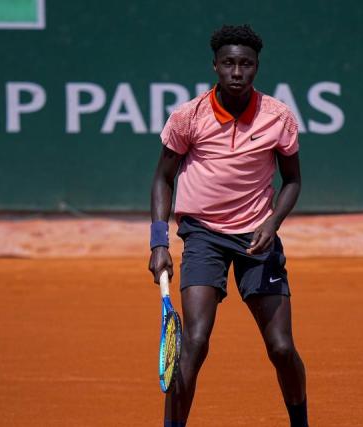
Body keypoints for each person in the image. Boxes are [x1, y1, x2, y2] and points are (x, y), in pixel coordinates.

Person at [148, 24, 308, 427]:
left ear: (257, 67)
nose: (238, 72)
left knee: (281, 348)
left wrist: (272, 222)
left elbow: (293, 180)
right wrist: (159, 243)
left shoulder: (278, 117)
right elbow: (162, 179)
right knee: (195, 342)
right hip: (203, 235)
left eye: (247, 64)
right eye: (229, 64)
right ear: (215, 66)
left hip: (257, 237)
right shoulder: (189, 116)